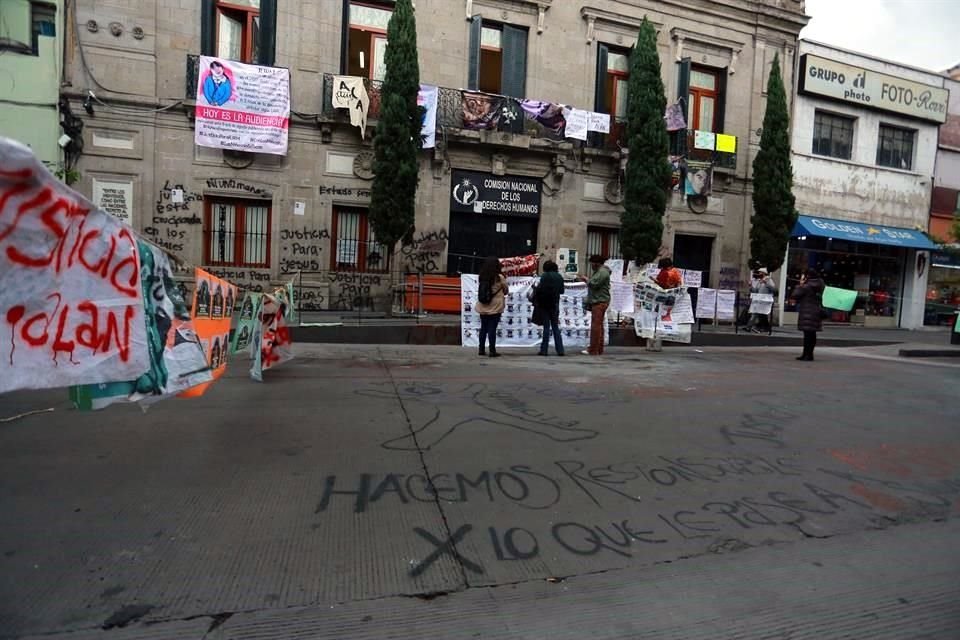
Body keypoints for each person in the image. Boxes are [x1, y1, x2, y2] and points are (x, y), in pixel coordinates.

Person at [476, 256, 508, 357]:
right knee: (492, 328)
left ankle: (481, 349)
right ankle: (492, 350)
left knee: (483, 328)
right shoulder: (499, 277)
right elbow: (506, 290)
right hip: (495, 306)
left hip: (483, 304)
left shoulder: (482, 276)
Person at [792, 268, 825, 361]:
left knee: (807, 335)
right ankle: (809, 354)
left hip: (807, 311)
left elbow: (795, 295)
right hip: (816, 311)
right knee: (812, 334)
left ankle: (806, 355)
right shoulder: (821, 284)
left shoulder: (806, 286)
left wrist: (800, 284)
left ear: (807, 276)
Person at [580, 255, 610, 355]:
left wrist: (586, 279)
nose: (591, 265)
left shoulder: (602, 272)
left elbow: (594, 284)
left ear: (596, 263)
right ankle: (598, 349)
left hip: (599, 301)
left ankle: (593, 349)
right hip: (600, 300)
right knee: (599, 326)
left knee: (596, 326)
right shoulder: (601, 272)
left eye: (592, 263)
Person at [536, 260, 565, 356]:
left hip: (544, 304)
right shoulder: (559, 276)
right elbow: (562, 291)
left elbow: (540, 289)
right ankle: (560, 350)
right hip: (555, 303)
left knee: (546, 327)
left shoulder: (544, 276)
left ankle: (544, 350)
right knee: (555, 327)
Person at [748, 267, 778, 333]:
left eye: (760, 272)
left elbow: (774, 289)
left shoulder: (769, 280)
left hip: (765, 300)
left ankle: (764, 327)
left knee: (763, 314)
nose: (759, 274)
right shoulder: (760, 281)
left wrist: (766, 283)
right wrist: (751, 286)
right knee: (759, 314)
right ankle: (756, 327)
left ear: (764, 273)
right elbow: (755, 290)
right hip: (759, 300)